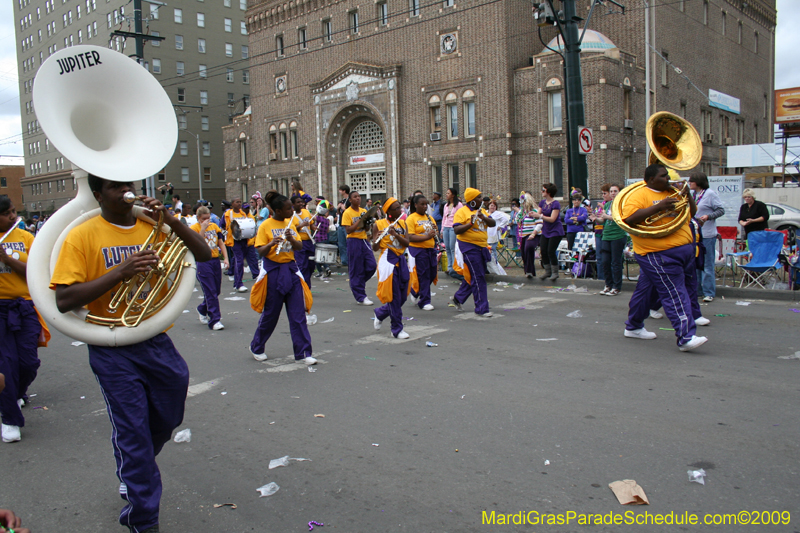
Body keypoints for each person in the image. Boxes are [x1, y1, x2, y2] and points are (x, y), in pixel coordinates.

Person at [50, 175, 212, 533]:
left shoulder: (151, 225)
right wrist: (121, 271)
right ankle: (142, 520)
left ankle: (133, 463)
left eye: (128, 184)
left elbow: (204, 253)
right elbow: (64, 300)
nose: (126, 192)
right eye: (114, 187)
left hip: (154, 339)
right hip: (111, 345)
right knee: (134, 435)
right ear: (97, 195)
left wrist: (169, 220)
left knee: (169, 417)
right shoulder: (83, 235)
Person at [621, 163, 707, 352]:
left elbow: (691, 214)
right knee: (675, 292)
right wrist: (660, 206)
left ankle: (633, 326)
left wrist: (686, 195)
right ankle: (686, 337)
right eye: (663, 176)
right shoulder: (639, 194)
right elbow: (628, 219)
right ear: (651, 179)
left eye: (667, 176)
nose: (668, 179)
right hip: (656, 252)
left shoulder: (673, 192)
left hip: (683, 251)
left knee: (645, 291)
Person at [0, 195, 49, 444]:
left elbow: (35, 271)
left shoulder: (26, 238)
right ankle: (9, 418)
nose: (12, 216)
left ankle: (16, 394)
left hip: (24, 306)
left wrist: (7, 259)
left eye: (13, 211)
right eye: (6, 212)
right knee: (5, 366)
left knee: (28, 362)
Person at [249, 191, 316, 365]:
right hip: (274, 272)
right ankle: (257, 345)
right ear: (278, 211)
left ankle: (303, 352)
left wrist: (291, 240)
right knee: (271, 314)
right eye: (288, 208)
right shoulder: (265, 226)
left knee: (298, 314)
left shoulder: (290, 223)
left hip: (291, 270)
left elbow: (299, 246)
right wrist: (271, 244)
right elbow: (260, 251)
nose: (291, 210)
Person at [451, 187, 496, 316]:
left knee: (473, 275)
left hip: (482, 247)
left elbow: (492, 223)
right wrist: (470, 224)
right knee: (479, 276)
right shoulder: (462, 212)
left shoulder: (481, 211)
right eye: (478, 197)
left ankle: (458, 298)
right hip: (469, 247)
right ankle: (482, 308)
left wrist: (483, 217)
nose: (481, 199)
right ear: (471, 200)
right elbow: (457, 230)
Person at [372, 197, 411, 338]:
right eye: (396, 208)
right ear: (388, 211)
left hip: (401, 260)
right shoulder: (379, 224)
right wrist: (381, 236)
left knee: (403, 296)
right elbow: (375, 247)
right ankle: (397, 329)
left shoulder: (402, 223)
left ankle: (381, 312)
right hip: (388, 261)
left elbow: (406, 243)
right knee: (394, 297)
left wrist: (395, 234)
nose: (400, 210)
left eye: (400, 207)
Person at [191, 206, 229, 331]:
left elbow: (221, 243)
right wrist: (202, 229)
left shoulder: (214, 226)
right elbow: (197, 243)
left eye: (208, 218)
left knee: (216, 290)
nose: (207, 221)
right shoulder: (194, 228)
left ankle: (202, 308)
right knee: (210, 291)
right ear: (198, 218)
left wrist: (226, 258)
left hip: (214, 260)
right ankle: (215, 320)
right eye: (203, 219)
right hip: (202, 261)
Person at [689, 172, 724, 302]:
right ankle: (698, 290)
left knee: (707, 264)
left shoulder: (709, 194)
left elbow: (721, 210)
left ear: (698, 182)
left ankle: (709, 292)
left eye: (692, 181)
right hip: (696, 234)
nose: (689, 183)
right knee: (696, 263)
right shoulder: (693, 195)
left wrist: (708, 216)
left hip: (708, 233)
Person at [342, 191, 377, 305]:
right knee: (356, 268)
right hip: (353, 241)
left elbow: (366, 229)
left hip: (364, 240)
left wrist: (367, 223)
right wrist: (359, 221)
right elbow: (348, 230)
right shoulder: (347, 213)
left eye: (359, 196)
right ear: (350, 200)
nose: (358, 198)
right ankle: (360, 296)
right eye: (355, 197)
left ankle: (358, 282)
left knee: (372, 265)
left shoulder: (364, 211)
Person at [406, 194, 439, 311]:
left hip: (430, 249)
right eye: (422, 204)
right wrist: (426, 236)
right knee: (424, 274)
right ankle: (425, 301)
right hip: (418, 249)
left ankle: (415, 290)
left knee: (432, 273)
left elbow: (435, 233)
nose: (425, 206)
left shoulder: (430, 218)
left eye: (426, 204)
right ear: (415, 205)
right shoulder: (411, 218)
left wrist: (436, 233)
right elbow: (410, 237)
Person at [224, 197, 259, 292]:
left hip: (244, 239)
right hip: (235, 241)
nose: (239, 204)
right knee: (239, 262)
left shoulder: (243, 214)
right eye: (237, 202)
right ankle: (239, 284)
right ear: (232, 204)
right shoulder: (228, 214)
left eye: (240, 202)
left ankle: (236, 283)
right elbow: (223, 226)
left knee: (244, 260)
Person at [599, 184, 626, 296]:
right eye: (611, 191)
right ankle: (608, 285)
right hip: (606, 235)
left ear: (619, 192)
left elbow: (620, 219)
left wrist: (606, 217)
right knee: (605, 261)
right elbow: (602, 220)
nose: (613, 193)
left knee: (616, 262)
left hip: (618, 235)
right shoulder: (608, 205)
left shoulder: (622, 204)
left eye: (615, 191)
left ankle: (616, 286)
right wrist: (596, 218)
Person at [535, 183, 564, 281]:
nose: (542, 192)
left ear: (549, 192)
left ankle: (555, 272)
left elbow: (552, 219)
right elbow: (537, 214)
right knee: (543, 251)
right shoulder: (542, 203)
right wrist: (531, 214)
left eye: (543, 190)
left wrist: (540, 216)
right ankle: (547, 271)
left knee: (551, 251)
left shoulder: (556, 204)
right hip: (546, 230)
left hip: (555, 230)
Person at [291, 193, 317, 285]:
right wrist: (300, 226)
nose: (301, 204)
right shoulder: (291, 216)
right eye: (298, 202)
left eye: (301, 202)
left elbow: (311, 223)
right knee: (302, 265)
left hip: (309, 242)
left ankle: (306, 283)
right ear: (293, 204)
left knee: (311, 265)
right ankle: (303, 286)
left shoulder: (306, 212)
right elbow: (291, 230)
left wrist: (314, 227)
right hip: (299, 243)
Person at [589, 184, 611, 280]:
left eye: (605, 193)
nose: (603, 195)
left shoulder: (609, 205)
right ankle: (601, 278)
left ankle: (609, 278)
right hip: (598, 232)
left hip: (606, 232)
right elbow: (598, 217)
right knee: (599, 257)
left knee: (608, 257)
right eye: (602, 193)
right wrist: (592, 214)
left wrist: (604, 208)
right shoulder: (601, 205)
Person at [518, 192, 541, 279]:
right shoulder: (522, 213)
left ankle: (529, 270)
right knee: (524, 253)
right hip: (523, 235)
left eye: (524, 202)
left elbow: (539, 223)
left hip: (532, 234)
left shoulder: (534, 211)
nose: (522, 204)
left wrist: (534, 233)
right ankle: (529, 271)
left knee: (529, 247)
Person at [441, 188, 463, 279]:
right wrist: (442, 230)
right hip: (446, 227)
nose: (446, 194)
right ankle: (449, 267)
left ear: (453, 195)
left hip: (453, 227)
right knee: (447, 248)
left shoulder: (459, 205)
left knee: (453, 247)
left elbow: (461, 216)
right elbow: (444, 218)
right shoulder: (446, 205)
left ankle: (454, 267)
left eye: (448, 193)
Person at [313, 200, 333, 278]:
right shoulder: (327, 220)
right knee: (323, 255)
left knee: (317, 256)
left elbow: (311, 218)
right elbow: (328, 230)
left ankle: (321, 271)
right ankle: (327, 267)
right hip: (325, 238)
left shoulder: (318, 218)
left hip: (318, 239)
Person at [486, 199, 510, 264]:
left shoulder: (498, 214)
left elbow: (505, 219)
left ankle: (494, 263)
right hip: (486, 234)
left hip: (493, 233)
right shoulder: (485, 212)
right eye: (491, 205)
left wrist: (500, 226)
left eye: (494, 206)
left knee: (492, 249)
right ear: (488, 206)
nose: (492, 207)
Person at [336, 185, 350, 267]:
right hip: (340, 223)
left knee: (348, 242)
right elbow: (338, 213)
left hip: (346, 225)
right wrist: (338, 208)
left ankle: (350, 260)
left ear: (344, 191)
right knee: (341, 244)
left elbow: (350, 212)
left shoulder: (349, 201)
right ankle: (344, 261)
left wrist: (344, 208)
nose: (339, 192)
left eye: (340, 190)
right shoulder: (342, 201)